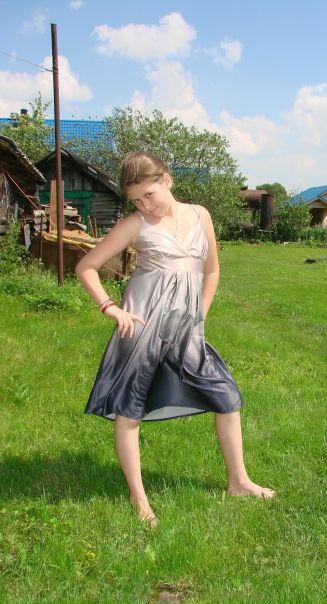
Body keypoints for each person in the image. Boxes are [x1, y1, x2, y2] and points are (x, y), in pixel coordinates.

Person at [76, 151, 276, 527]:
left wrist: (199, 315)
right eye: (136, 200)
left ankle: (239, 482)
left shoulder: (200, 216)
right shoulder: (134, 225)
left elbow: (211, 271)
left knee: (226, 397)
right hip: (141, 330)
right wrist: (112, 309)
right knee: (130, 411)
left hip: (185, 329)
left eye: (149, 195)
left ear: (166, 179)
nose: (144, 205)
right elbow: (85, 266)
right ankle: (139, 500)